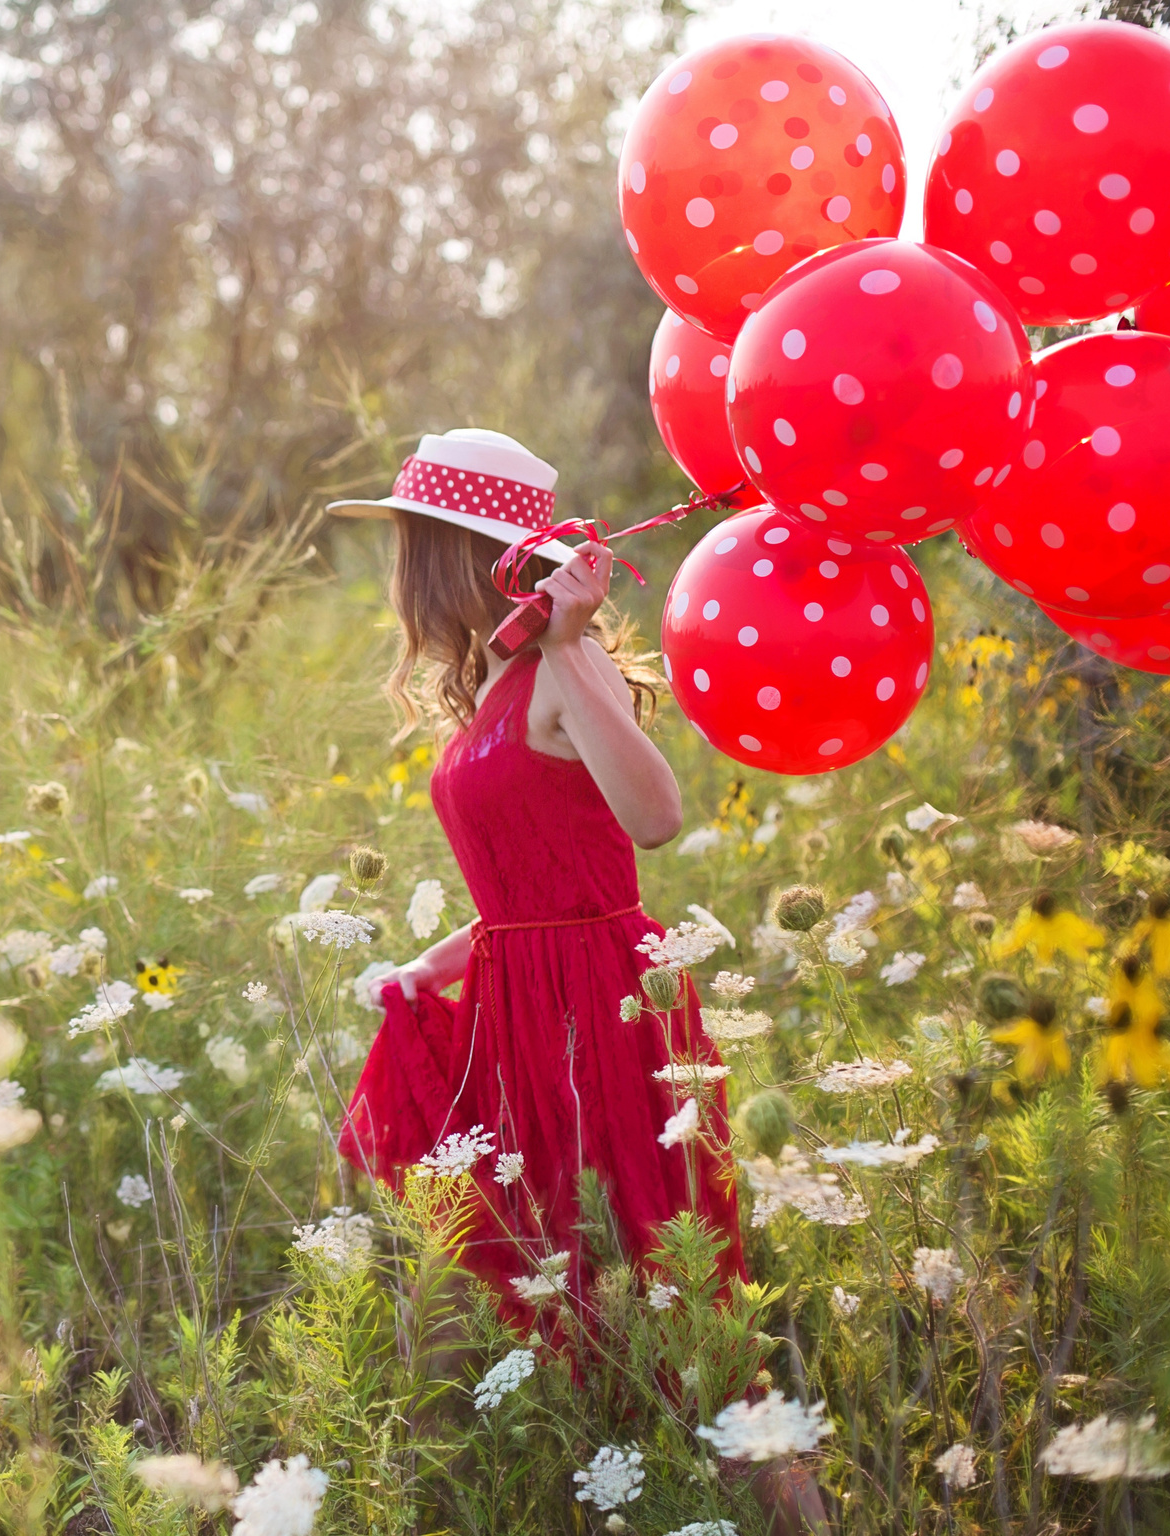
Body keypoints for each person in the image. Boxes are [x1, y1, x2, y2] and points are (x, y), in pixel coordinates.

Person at [327, 429, 822, 1532]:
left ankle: (790, 1516)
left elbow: (653, 822)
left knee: (666, 1290)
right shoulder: (503, 679)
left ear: (461, 555)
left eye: (413, 545)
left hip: (602, 1012)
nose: (400, 575)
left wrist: (572, 641)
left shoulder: (560, 666)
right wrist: (433, 961)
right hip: (524, 1003)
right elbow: (530, 889)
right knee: (576, 1294)